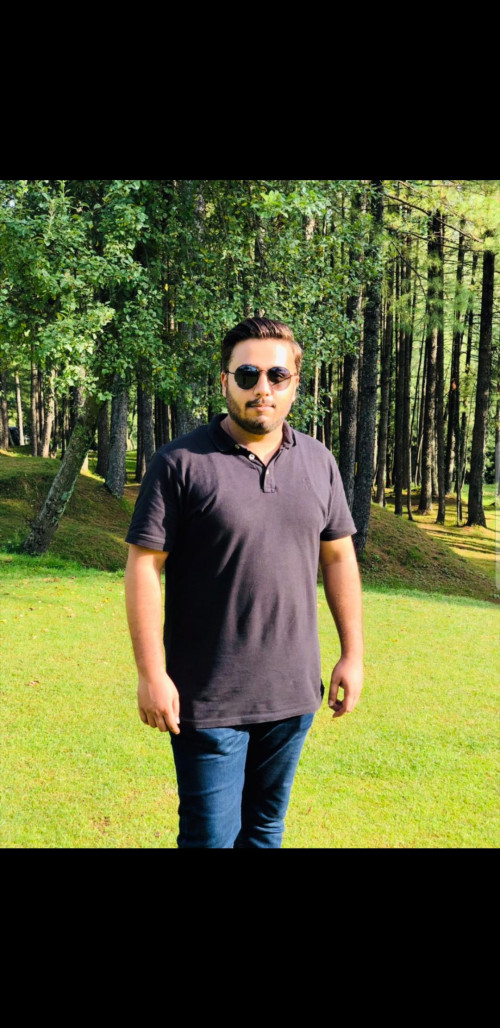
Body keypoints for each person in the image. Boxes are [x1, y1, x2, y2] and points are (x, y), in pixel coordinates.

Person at [124, 317, 363, 848]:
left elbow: (338, 558)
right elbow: (144, 567)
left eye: (277, 375)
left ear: (295, 383)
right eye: (248, 374)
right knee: (210, 839)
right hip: (207, 698)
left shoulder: (319, 462)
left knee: (264, 834)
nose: (263, 388)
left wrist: (353, 653)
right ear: (225, 381)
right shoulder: (179, 463)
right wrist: (151, 673)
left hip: (292, 696)